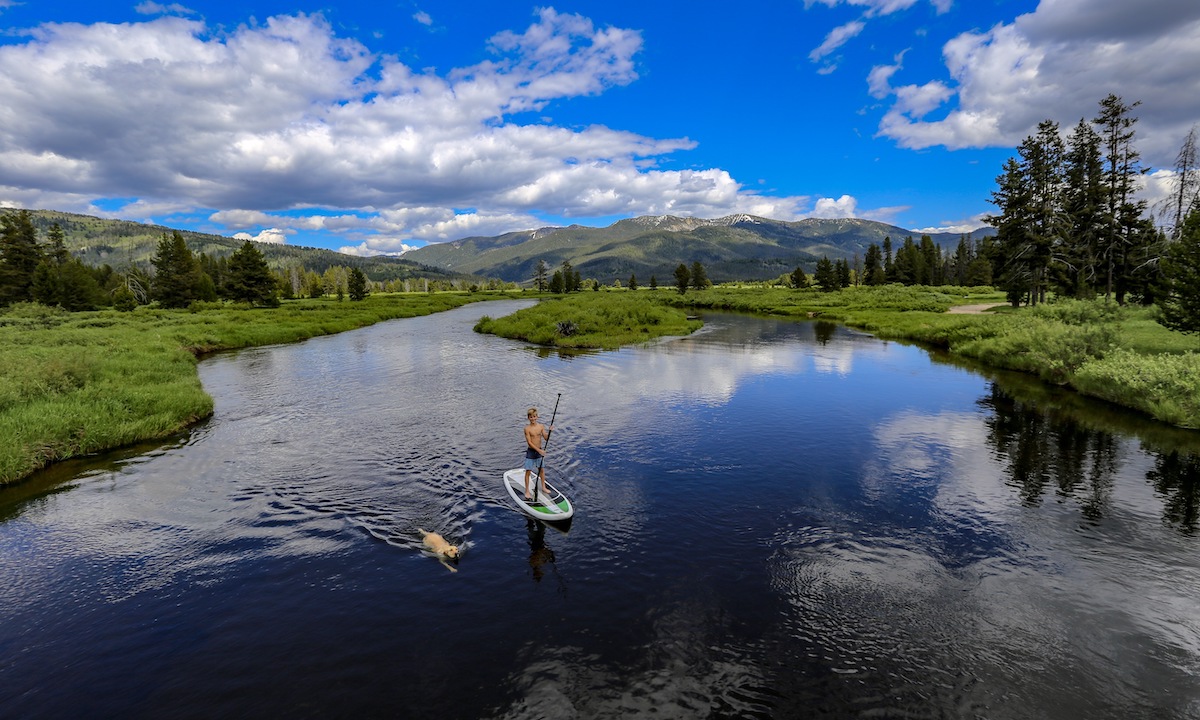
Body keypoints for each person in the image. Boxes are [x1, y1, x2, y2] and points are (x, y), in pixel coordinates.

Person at [523, 407, 553, 500]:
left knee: (541, 470)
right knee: (528, 471)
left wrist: (550, 431)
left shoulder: (541, 426)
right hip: (531, 452)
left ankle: (543, 487)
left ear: (537, 417)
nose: (533, 418)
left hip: (539, 451)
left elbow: (546, 438)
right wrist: (540, 451)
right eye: (531, 417)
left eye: (534, 416)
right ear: (528, 418)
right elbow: (529, 443)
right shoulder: (527, 429)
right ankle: (527, 491)